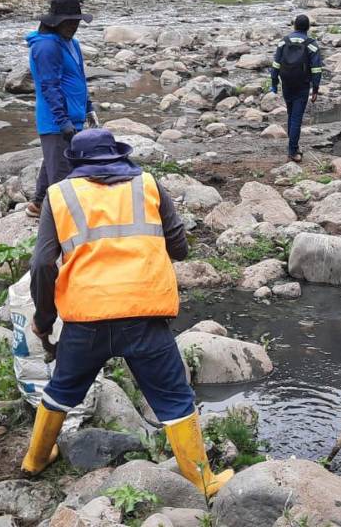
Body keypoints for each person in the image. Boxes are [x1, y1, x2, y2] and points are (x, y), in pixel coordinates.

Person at [21, 129, 234, 497]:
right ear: (120, 157)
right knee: (174, 398)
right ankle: (202, 480)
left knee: (62, 391)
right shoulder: (147, 184)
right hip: (144, 313)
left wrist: (44, 320)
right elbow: (179, 244)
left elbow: (42, 265)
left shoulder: (58, 195)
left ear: (75, 163)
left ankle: (35, 460)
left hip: (86, 317)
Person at [25, 0, 98, 218]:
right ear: (55, 22)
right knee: (63, 176)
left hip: (72, 116)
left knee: (53, 162)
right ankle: (63, 220)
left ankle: (37, 205)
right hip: (56, 121)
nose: (73, 27)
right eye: (69, 23)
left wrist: (88, 107)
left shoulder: (71, 43)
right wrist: (62, 120)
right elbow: (50, 86)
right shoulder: (46, 47)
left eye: (76, 23)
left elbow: (79, 78)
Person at [270, 14, 324, 163]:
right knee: (296, 118)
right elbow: (316, 68)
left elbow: (276, 64)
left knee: (291, 114)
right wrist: (316, 89)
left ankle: (293, 146)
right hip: (302, 85)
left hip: (286, 83)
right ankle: (293, 151)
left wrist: (274, 84)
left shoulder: (283, 42)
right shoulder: (311, 44)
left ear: (294, 26)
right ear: (308, 28)